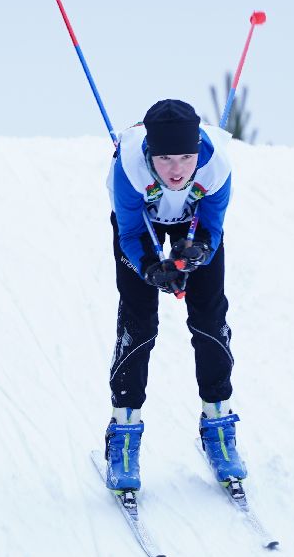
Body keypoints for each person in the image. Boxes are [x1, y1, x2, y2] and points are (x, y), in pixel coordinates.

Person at [102, 98, 246, 492]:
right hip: (140, 225)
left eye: (186, 156)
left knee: (209, 320)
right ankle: (124, 434)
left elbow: (212, 228)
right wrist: (151, 268)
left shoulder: (216, 166)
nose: (178, 169)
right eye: (166, 158)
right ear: (150, 151)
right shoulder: (128, 168)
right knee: (140, 323)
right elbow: (130, 233)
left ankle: (218, 426)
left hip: (193, 222)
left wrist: (196, 253)